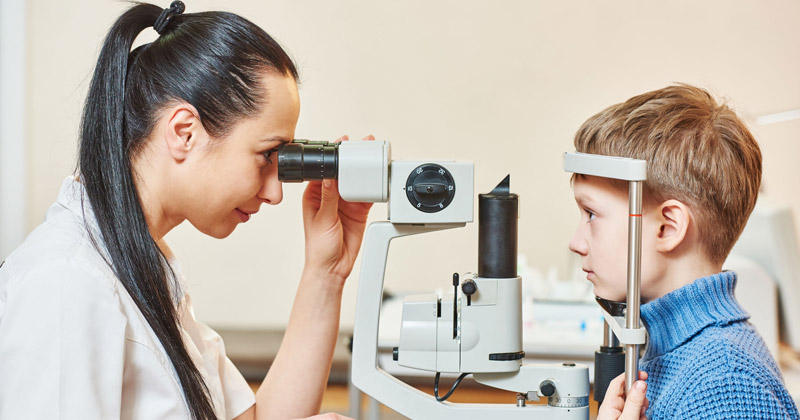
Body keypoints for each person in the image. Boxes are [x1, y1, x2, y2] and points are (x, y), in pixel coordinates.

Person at [0, 1, 651, 419]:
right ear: (184, 132)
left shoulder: (145, 266)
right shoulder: (68, 285)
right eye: (268, 155)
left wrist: (327, 270)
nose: (278, 189)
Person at [568, 84, 800, 419]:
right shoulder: (673, 353)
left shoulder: (725, 386)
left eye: (591, 214)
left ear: (668, 228)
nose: (576, 242)